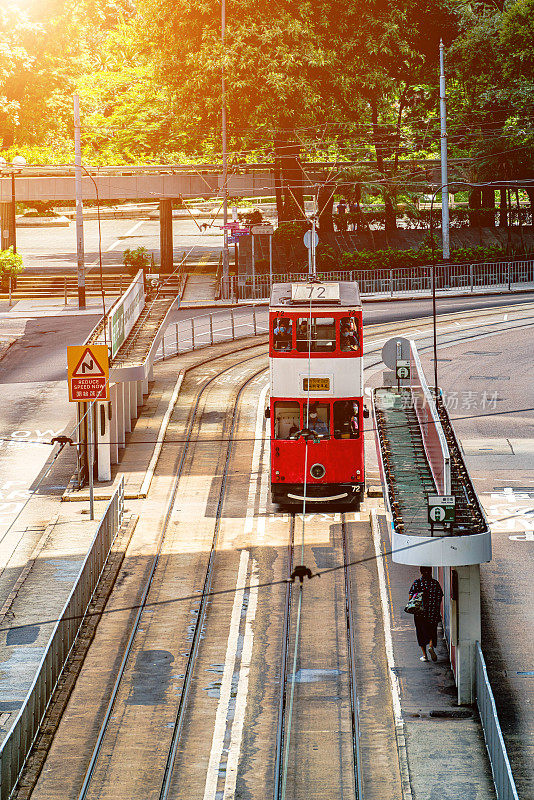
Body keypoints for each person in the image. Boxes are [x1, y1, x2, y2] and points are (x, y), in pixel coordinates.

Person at [408, 566, 444, 662]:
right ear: (431, 571)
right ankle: (431, 645)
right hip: (432, 612)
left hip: (420, 613)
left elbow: (410, 598)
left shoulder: (417, 583)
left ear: (421, 572)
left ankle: (424, 656)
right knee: (432, 630)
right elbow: (440, 596)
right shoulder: (435, 583)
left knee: (420, 633)